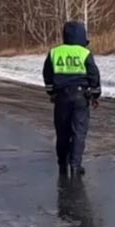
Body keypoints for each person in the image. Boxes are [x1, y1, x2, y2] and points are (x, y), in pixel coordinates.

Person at [43, 21, 101, 177]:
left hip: (61, 96)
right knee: (78, 132)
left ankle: (62, 162)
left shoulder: (55, 52)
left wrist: (51, 93)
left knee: (62, 132)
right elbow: (93, 74)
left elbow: (47, 74)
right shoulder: (84, 53)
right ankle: (75, 165)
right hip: (81, 96)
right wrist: (95, 94)